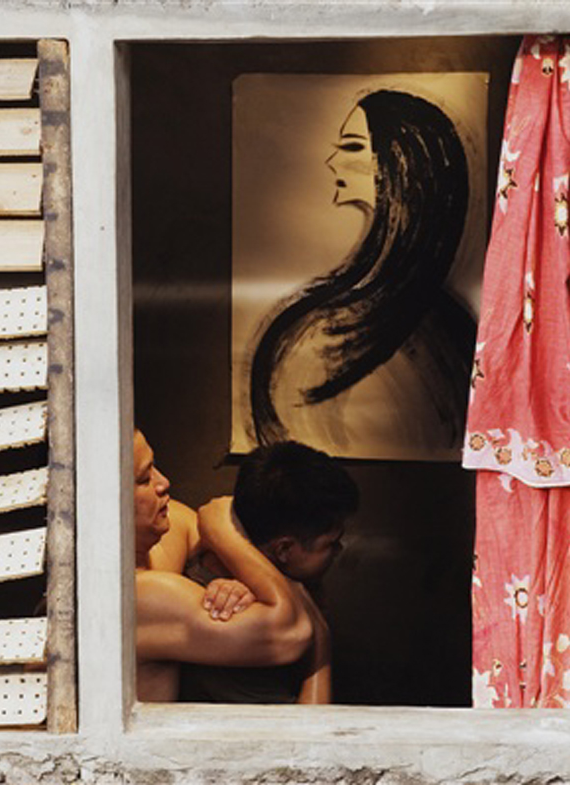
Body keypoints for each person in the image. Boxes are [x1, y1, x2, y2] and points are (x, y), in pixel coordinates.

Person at [248, 89, 476, 456]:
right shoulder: (444, 328)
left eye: (352, 147)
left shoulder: (435, 337)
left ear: (400, 165)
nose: (332, 161)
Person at [133, 430, 316, 702]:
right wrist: (221, 530)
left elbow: (225, 558)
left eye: (155, 466)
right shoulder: (135, 595)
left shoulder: (159, 533)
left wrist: (238, 585)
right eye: (144, 479)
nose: (164, 482)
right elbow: (293, 631)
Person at [177, 441, 357, 704]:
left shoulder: (278, 579)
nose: (338, 550)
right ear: (284, 549)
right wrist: (321, 649)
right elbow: (303, 728)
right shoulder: (233, 615)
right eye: (330, 543)